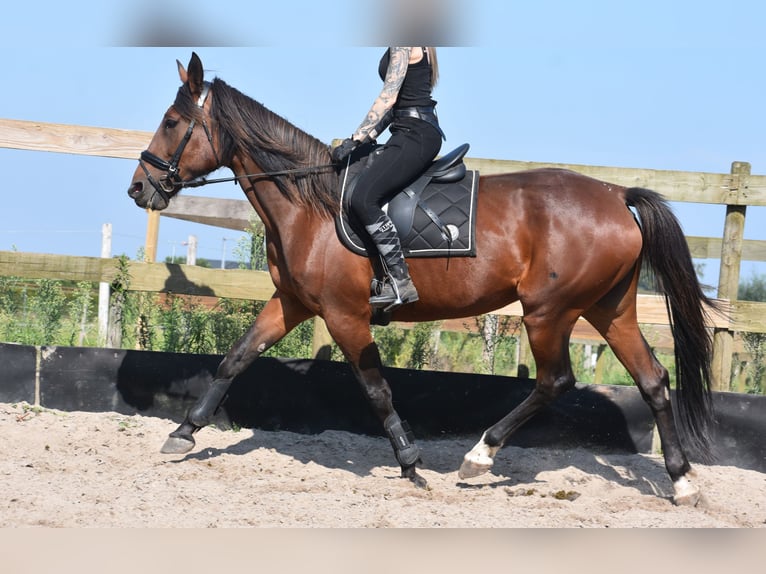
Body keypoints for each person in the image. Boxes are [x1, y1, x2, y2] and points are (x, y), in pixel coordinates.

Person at [332, 46, 444, 312]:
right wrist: (368, 137)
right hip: (406, 130)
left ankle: (400, 281)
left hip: (416, 135)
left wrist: (356, 137)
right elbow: (397, 107)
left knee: (363, 197)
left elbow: (389, 96)